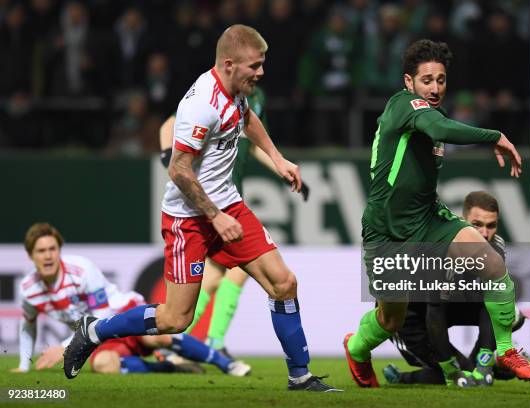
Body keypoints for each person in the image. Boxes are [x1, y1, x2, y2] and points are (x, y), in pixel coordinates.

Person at [63, 24, 340, 392]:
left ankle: (300, 376)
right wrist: (215, 216)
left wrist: (278, 159)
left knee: (284, 283)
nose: (261, 72)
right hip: (188, 219)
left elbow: (248, 119)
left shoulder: (236, 93)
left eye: (261, 64)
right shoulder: (201, 106)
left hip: (228, 205)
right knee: (175, 319)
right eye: (254, 66)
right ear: (229, 64)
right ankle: (94, 330)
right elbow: (178, 169)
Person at [343, 39, 530, 388]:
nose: (435, 88)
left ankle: (506, 349)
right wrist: (494, 135)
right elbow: (440, 129)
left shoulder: (434, 116)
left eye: (441, 80)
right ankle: (356, 348)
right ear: (408, 82)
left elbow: (437, 131)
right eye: (427, 80)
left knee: (492, 262)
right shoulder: (403, 105)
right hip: (387, 233)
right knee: (390, 320)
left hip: (428, 219)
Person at [159, 86, 309, 358]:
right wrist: (167, 153)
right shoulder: (209, 95)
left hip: (229, 194)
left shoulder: (256, 98)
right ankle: (208, 341)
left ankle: (180, 346)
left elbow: (251, 145)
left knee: (215, 278)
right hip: (206, 198)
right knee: (236, 274)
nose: (258, 71)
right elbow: (168, 124)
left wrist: (280, 167)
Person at [12, 222, 250, 376]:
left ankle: (225, 363)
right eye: (41, 251)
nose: (48, 256)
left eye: (52, 249)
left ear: (59, 250)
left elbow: (102, 314)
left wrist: (66, 348)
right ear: (31, 256)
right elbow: (27, 325)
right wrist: (24, 366)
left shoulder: (80, 270)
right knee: (104, 365)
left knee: (157, 339)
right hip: (95, 338)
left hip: (121, 315)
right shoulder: (29, 290)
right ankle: (169, 368)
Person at [383, 191, 527, 387]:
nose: (484, 233)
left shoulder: (496, 247)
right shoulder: (445, 250)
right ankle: (402, 378)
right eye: (476, 224)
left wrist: (482, 365)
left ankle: (486, 364)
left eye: (491, 225)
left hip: (446, 307)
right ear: (462, 221)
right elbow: (436, 314)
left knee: (509, 312)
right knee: (462, 372)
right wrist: (453, 368)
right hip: (409, 319)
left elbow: (492, 302)